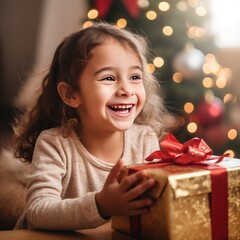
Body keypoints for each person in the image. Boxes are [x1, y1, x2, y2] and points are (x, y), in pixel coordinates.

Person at [13, 21, 174, 230]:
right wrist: (102, 204)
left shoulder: (145, 139)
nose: (126, 89)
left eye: (135, 76)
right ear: (72, 94)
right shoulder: (54, 144)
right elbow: (38, 211)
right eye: (108, 78)